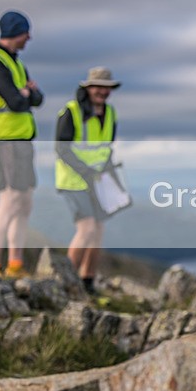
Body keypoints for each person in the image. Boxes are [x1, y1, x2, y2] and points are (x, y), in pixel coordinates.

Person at [0, 11, 43, 279]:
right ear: (14, 31)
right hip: (7, 140)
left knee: (24, 201)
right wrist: (26, 93)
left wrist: (27, 93)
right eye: (25, 31)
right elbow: (16, 102)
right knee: (10, 200)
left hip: (22, 140)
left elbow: (35, 98)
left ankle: (15, 264)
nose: (29, 37)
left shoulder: (15, 63)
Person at [55, 67, 120, 294]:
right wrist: (86, 171)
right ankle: (65, 282)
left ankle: (87, 281)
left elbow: (106, 149)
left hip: (99, 181)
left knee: (98, 230)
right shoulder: (71, 112)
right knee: (87, 228)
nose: (102, 91)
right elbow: (61, 149)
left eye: (107, 88)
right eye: (98, 87)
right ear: (88, 88)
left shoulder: (110, 114)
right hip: (73, 181)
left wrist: (111, 179)